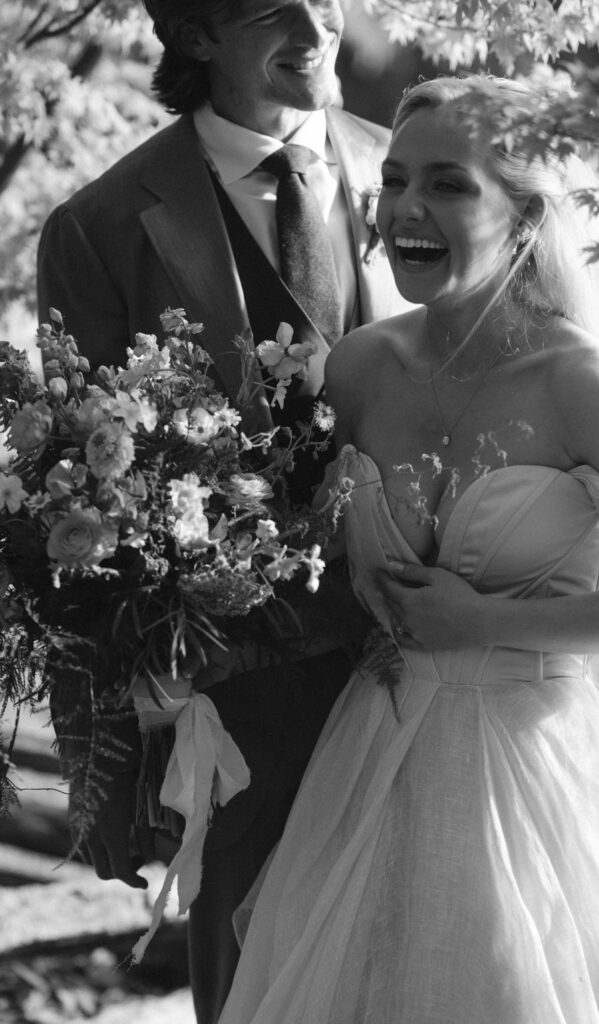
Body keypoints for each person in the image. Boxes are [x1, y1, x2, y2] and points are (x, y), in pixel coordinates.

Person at [219, 75, 599, 1024]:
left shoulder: (583, 383)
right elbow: (295, 558)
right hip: (365, 764)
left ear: (526, 214)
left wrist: (486, 621)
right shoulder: (356, 366)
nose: (405, 210)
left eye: (448, 184)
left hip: (532, 785)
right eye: (392, 181)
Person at [36, 3, 409, 1021]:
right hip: (240, 684)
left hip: (439, 654)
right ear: (198, 35)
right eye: (269, 7)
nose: (316, 23)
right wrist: (107, 753)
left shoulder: (423, 170)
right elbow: (76, 503)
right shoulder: (100, 226)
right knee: (252, 978)